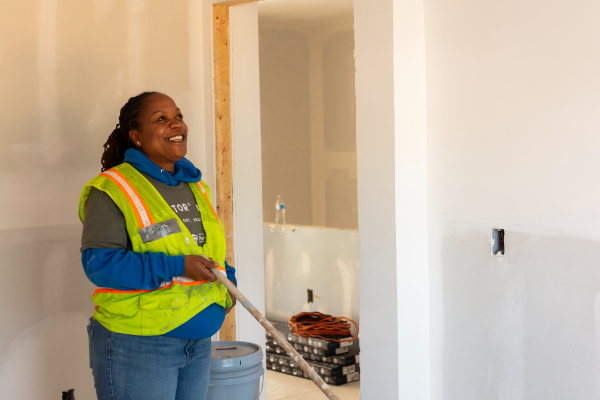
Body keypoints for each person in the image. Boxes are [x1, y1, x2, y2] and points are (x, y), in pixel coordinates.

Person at [79, 92, 237, 400]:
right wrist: (178, 266)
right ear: (136, 136)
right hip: (138, 344)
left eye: (178, 115)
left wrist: (228, 282)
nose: (176, 123)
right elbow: (100, 264)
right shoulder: (114, 188)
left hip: (198, 343)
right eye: (161, 119)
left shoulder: (196, 186)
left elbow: (207, 252)